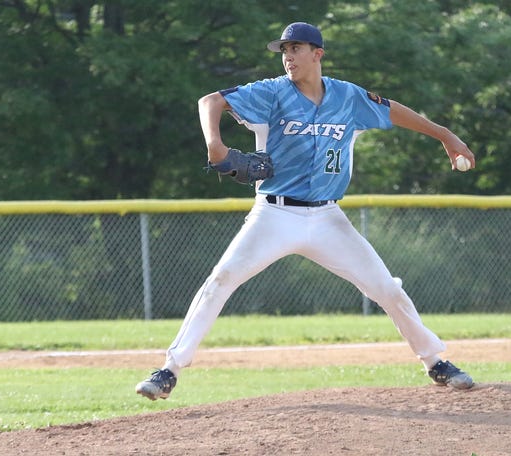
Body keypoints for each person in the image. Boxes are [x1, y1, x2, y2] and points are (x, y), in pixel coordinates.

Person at [136, 22, 476, 401]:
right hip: (275, 215)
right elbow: (209, 101)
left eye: (296, 48)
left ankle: (434, 361)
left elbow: (395, 112)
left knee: (385, 289)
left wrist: (445, 135)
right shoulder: (271, 93)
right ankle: (169, 370)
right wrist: (215, 145)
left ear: (318, 54)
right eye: (284, 50)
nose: (287, 57)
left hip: (329, 218)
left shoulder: (348, 97)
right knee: (222, 278)